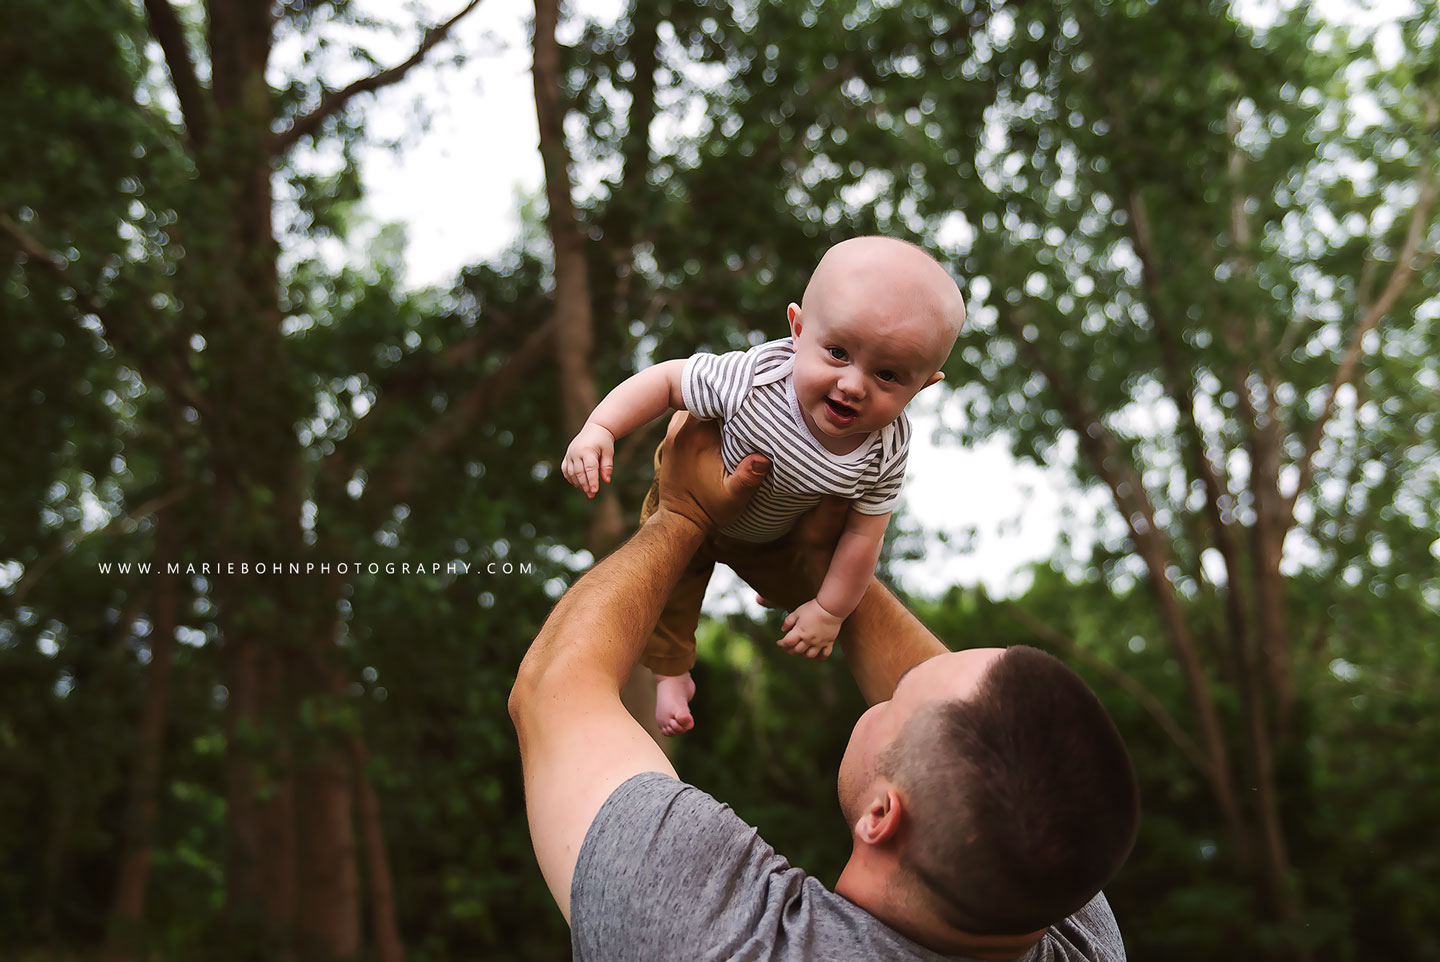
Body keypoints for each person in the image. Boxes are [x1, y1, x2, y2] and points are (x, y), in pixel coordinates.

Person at [512, 414, 1141, 961]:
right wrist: (825, 572)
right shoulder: (1069, 920)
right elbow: (993, 760)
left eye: (896, 700)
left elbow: (553, 692)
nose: (892, 684)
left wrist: (682, 513)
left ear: (881, 816)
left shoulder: (716, 941)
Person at [561, 236, 967, 735]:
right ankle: (672, 674)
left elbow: (865, 535)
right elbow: (668, 382)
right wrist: (600, 428)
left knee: (813, 586)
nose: (853, 384)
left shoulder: (886, 446)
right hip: (692, 494)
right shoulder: (756, 377)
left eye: (888, 375)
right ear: (797, 330)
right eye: (837, 352)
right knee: (669, 584)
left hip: (776, 536)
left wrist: (829, 610)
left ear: (924, 383)